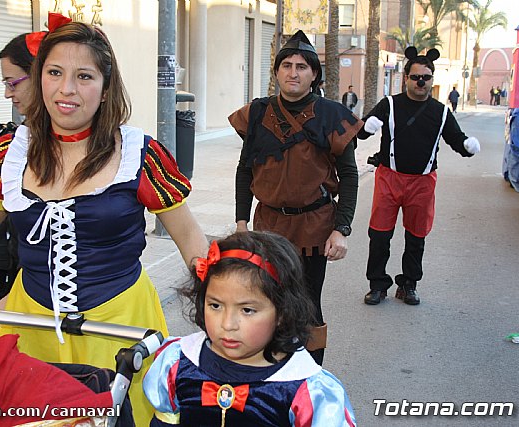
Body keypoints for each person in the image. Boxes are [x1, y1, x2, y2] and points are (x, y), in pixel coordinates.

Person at [0, 14, 209, 426]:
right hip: (30, 323)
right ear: (39, 78)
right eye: (54, 72)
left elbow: (192, 244)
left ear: (107, 87)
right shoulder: (9, 153)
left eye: (84, 76)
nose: (67, 89)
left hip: (122, 329)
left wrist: (233, 317)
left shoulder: (137, 154)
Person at [228, 30, 362, 366]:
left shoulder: (332, 115)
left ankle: (310, 374)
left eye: (301, 66)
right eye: (286, 65)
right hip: (268, 225)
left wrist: (341, 227)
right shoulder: (258, 114)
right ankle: (270, 368)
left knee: (307, 304)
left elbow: (348, 176)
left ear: (314, 74)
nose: (293, 72)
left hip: (314, 226)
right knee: (265, 299)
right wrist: (242, 221)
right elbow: (245, 170)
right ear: (276, 72)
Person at [143, 231, 356, 426]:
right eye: (215, 306)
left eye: (247, 310)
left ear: (282, 313)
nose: (227, 324)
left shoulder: (307, 392)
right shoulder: (177, 364)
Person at [359, 47, 480, 306]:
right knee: (379, 235)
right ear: (406, 78)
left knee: (416, 236)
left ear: (432, 80)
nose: (420, 82)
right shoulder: (389, 105)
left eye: (426, 77)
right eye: (415, 77)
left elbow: (455, 140)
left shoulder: (441, 112)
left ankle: (409, 284)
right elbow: (362, 130)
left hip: (422, 182)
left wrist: (468, 145)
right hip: (389, 178)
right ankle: (378, 284)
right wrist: (367, 127)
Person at [0, 30, 47, 337]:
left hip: (115, 317)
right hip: (29, 300)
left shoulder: (130, 153)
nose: (6, 94)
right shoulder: (9, 152)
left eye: (10, 82)